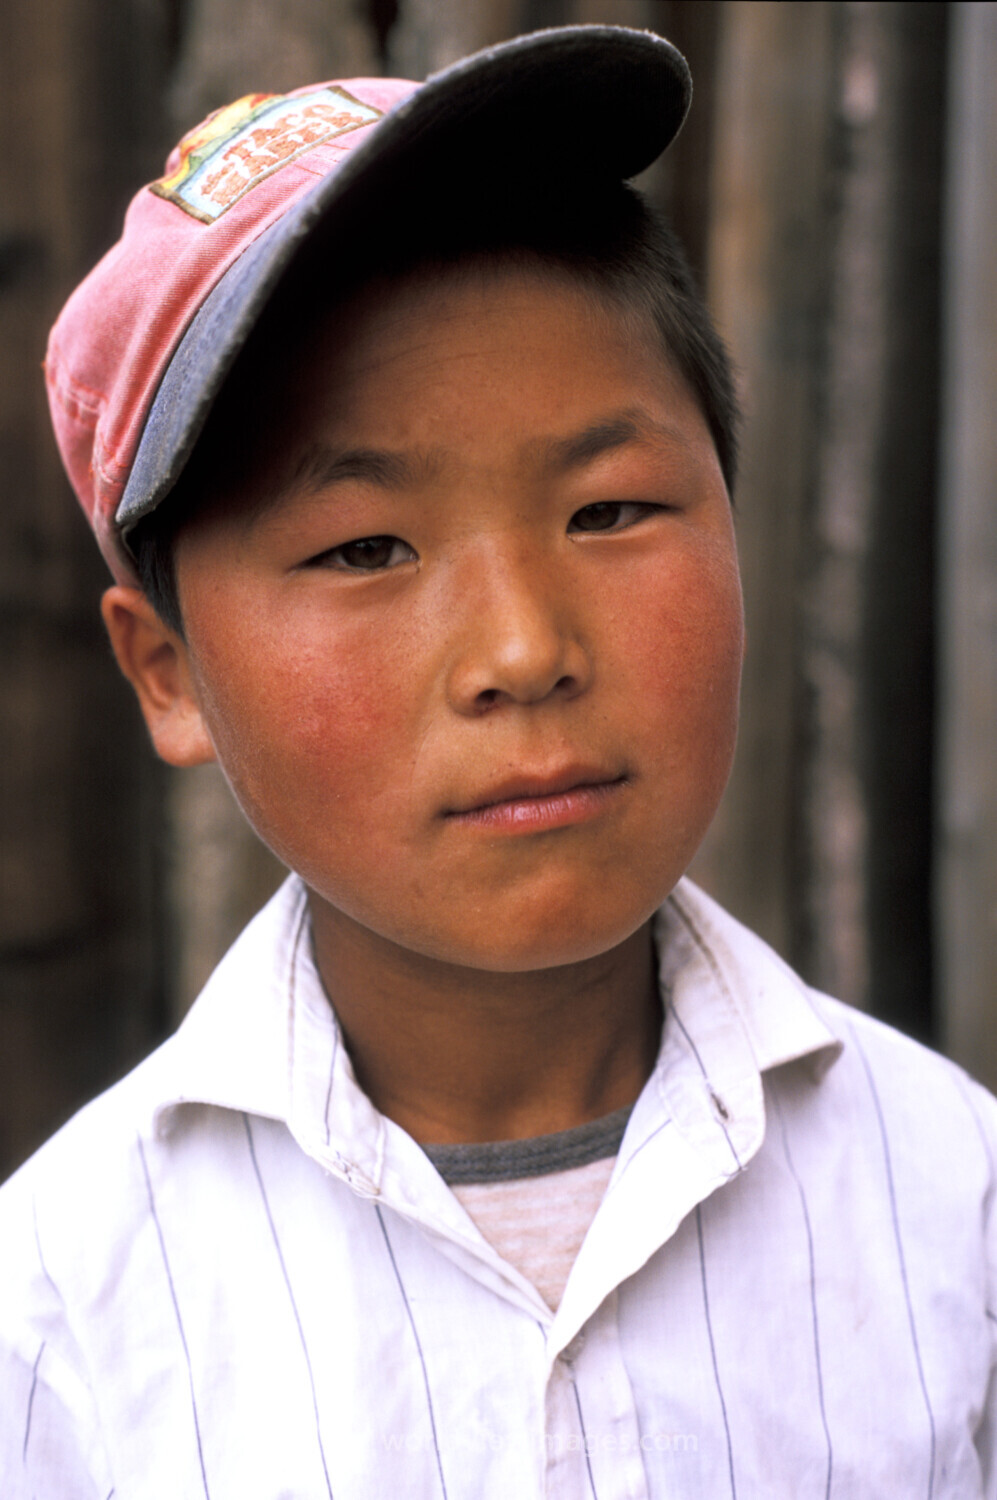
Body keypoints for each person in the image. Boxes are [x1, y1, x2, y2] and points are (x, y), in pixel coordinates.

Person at [1, 24, 995, 1499]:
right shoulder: (61, 1314)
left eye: (607, 512)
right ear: (169, 672)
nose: (524, 647)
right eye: (362, 548)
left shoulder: (954, 1212)